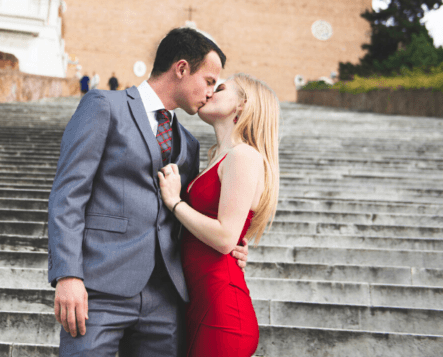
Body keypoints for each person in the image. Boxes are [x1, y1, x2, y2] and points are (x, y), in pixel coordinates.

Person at [47, 27, 249, 357]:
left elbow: (187, 216)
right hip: (100, 288)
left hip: (165, 300)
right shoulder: (104, 106)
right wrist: (68, 275)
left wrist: (229, 248)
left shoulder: (190, 144)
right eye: (209, 81)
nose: (211, 93)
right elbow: (68, 193)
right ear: (182, 69)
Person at [158, 73, 280, 357]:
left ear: (242, 105)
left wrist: (175, 202)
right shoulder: (221, 157)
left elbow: (225, 238)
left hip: (222, 314)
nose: (209, 92)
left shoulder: (244, 156)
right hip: (203, 303)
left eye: (220, 88)